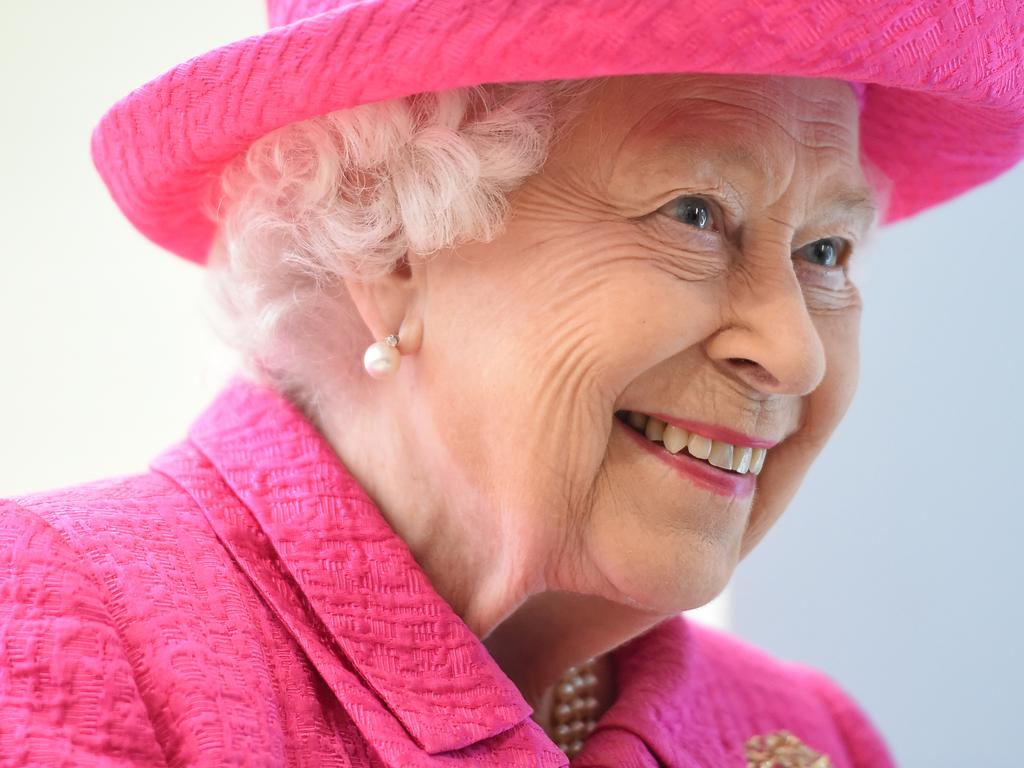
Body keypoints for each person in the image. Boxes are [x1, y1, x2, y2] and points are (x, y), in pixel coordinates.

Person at [2, 1, 1022, 766]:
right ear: (394, 242)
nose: (792, 352)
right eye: (694, 214)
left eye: (828, 251)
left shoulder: (808, 733)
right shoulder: (69, 627)